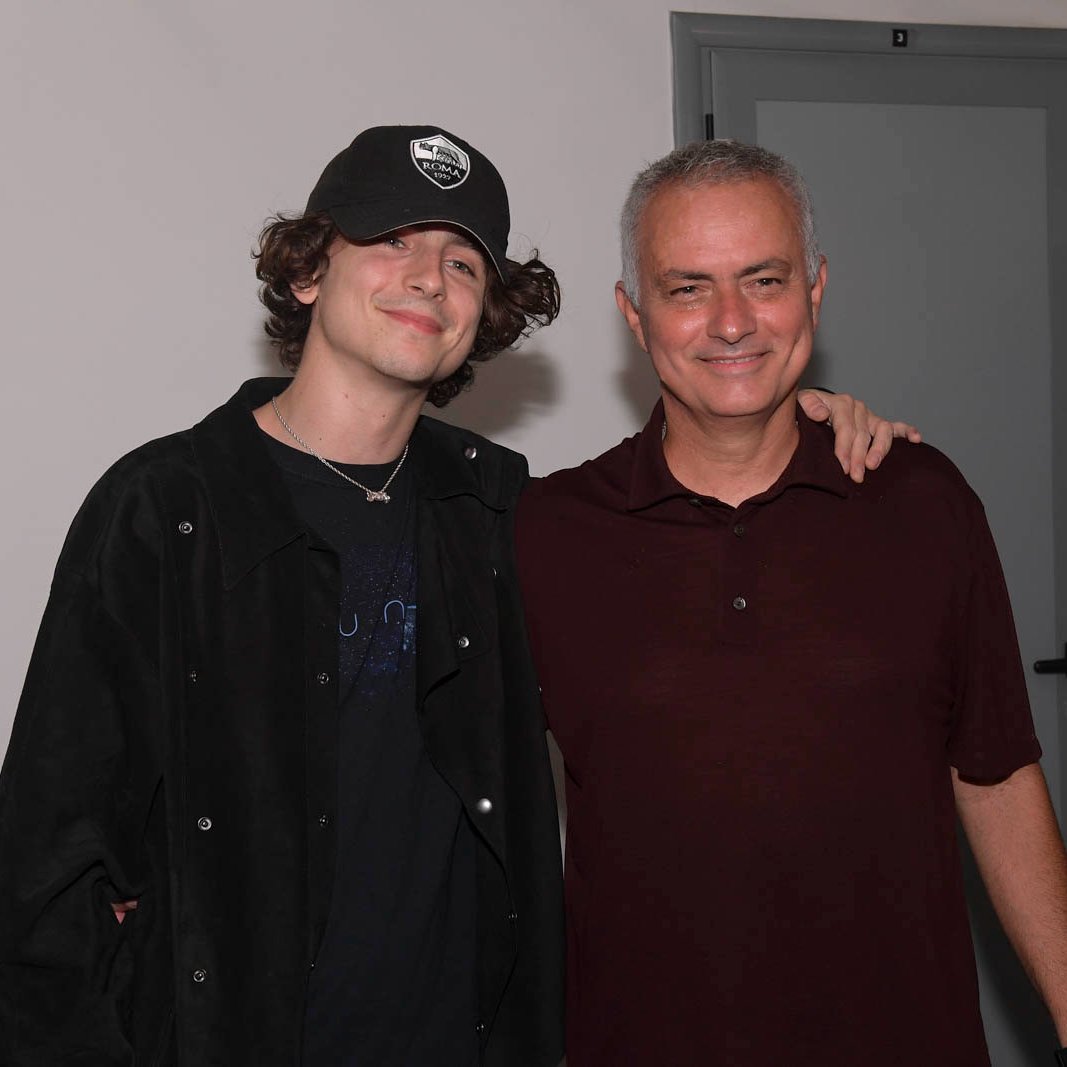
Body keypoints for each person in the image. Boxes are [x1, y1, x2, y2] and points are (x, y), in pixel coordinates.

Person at [0, 123, 902, 1065]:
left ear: (486, 315)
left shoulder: (503, 508)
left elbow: (670, 511)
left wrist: (790, 412)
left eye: (464, 262)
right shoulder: (167, 508)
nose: (429, 276)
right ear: (309, 271)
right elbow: (44, 866)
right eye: (393, 239)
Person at [516, 139, 1067, 1066]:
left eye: (762, 280)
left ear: (814, 290)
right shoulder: (546, 532)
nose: (731, 322)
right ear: (633, 313)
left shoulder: (923, 502)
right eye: (687, 287)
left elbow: (996, 774)